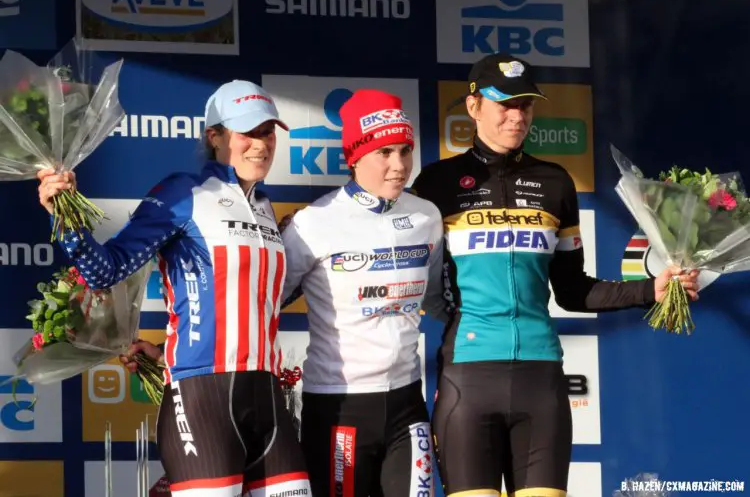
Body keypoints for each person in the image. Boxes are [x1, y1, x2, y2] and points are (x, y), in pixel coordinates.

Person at [409, 53, 700, 497]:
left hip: (540, 378)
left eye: (525, 104)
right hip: (467, 378)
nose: (517, 115)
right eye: (505, 103)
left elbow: (571, 290)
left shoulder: (554, 182)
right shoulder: (436, 184)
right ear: (473, 107)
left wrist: (652, 289)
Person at [37, 80, 311, 497]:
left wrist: (164, 351)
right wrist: (64, 217)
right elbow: (106, 271)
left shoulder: (265, 206)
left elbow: (251, 303)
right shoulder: (184, 193)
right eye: (248, 132)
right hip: (203, 400)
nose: (261, 144)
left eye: (268, 132)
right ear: (214, 136)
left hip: (268, 398)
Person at [279, 89, 446, 497]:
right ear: (354, 156)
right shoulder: (313, 223)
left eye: (405, 151)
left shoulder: (426, 215)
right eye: (384, 153)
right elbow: (263, 303)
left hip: (408, 403)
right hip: (339, 405)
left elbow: (439, 300)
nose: (399, 165)